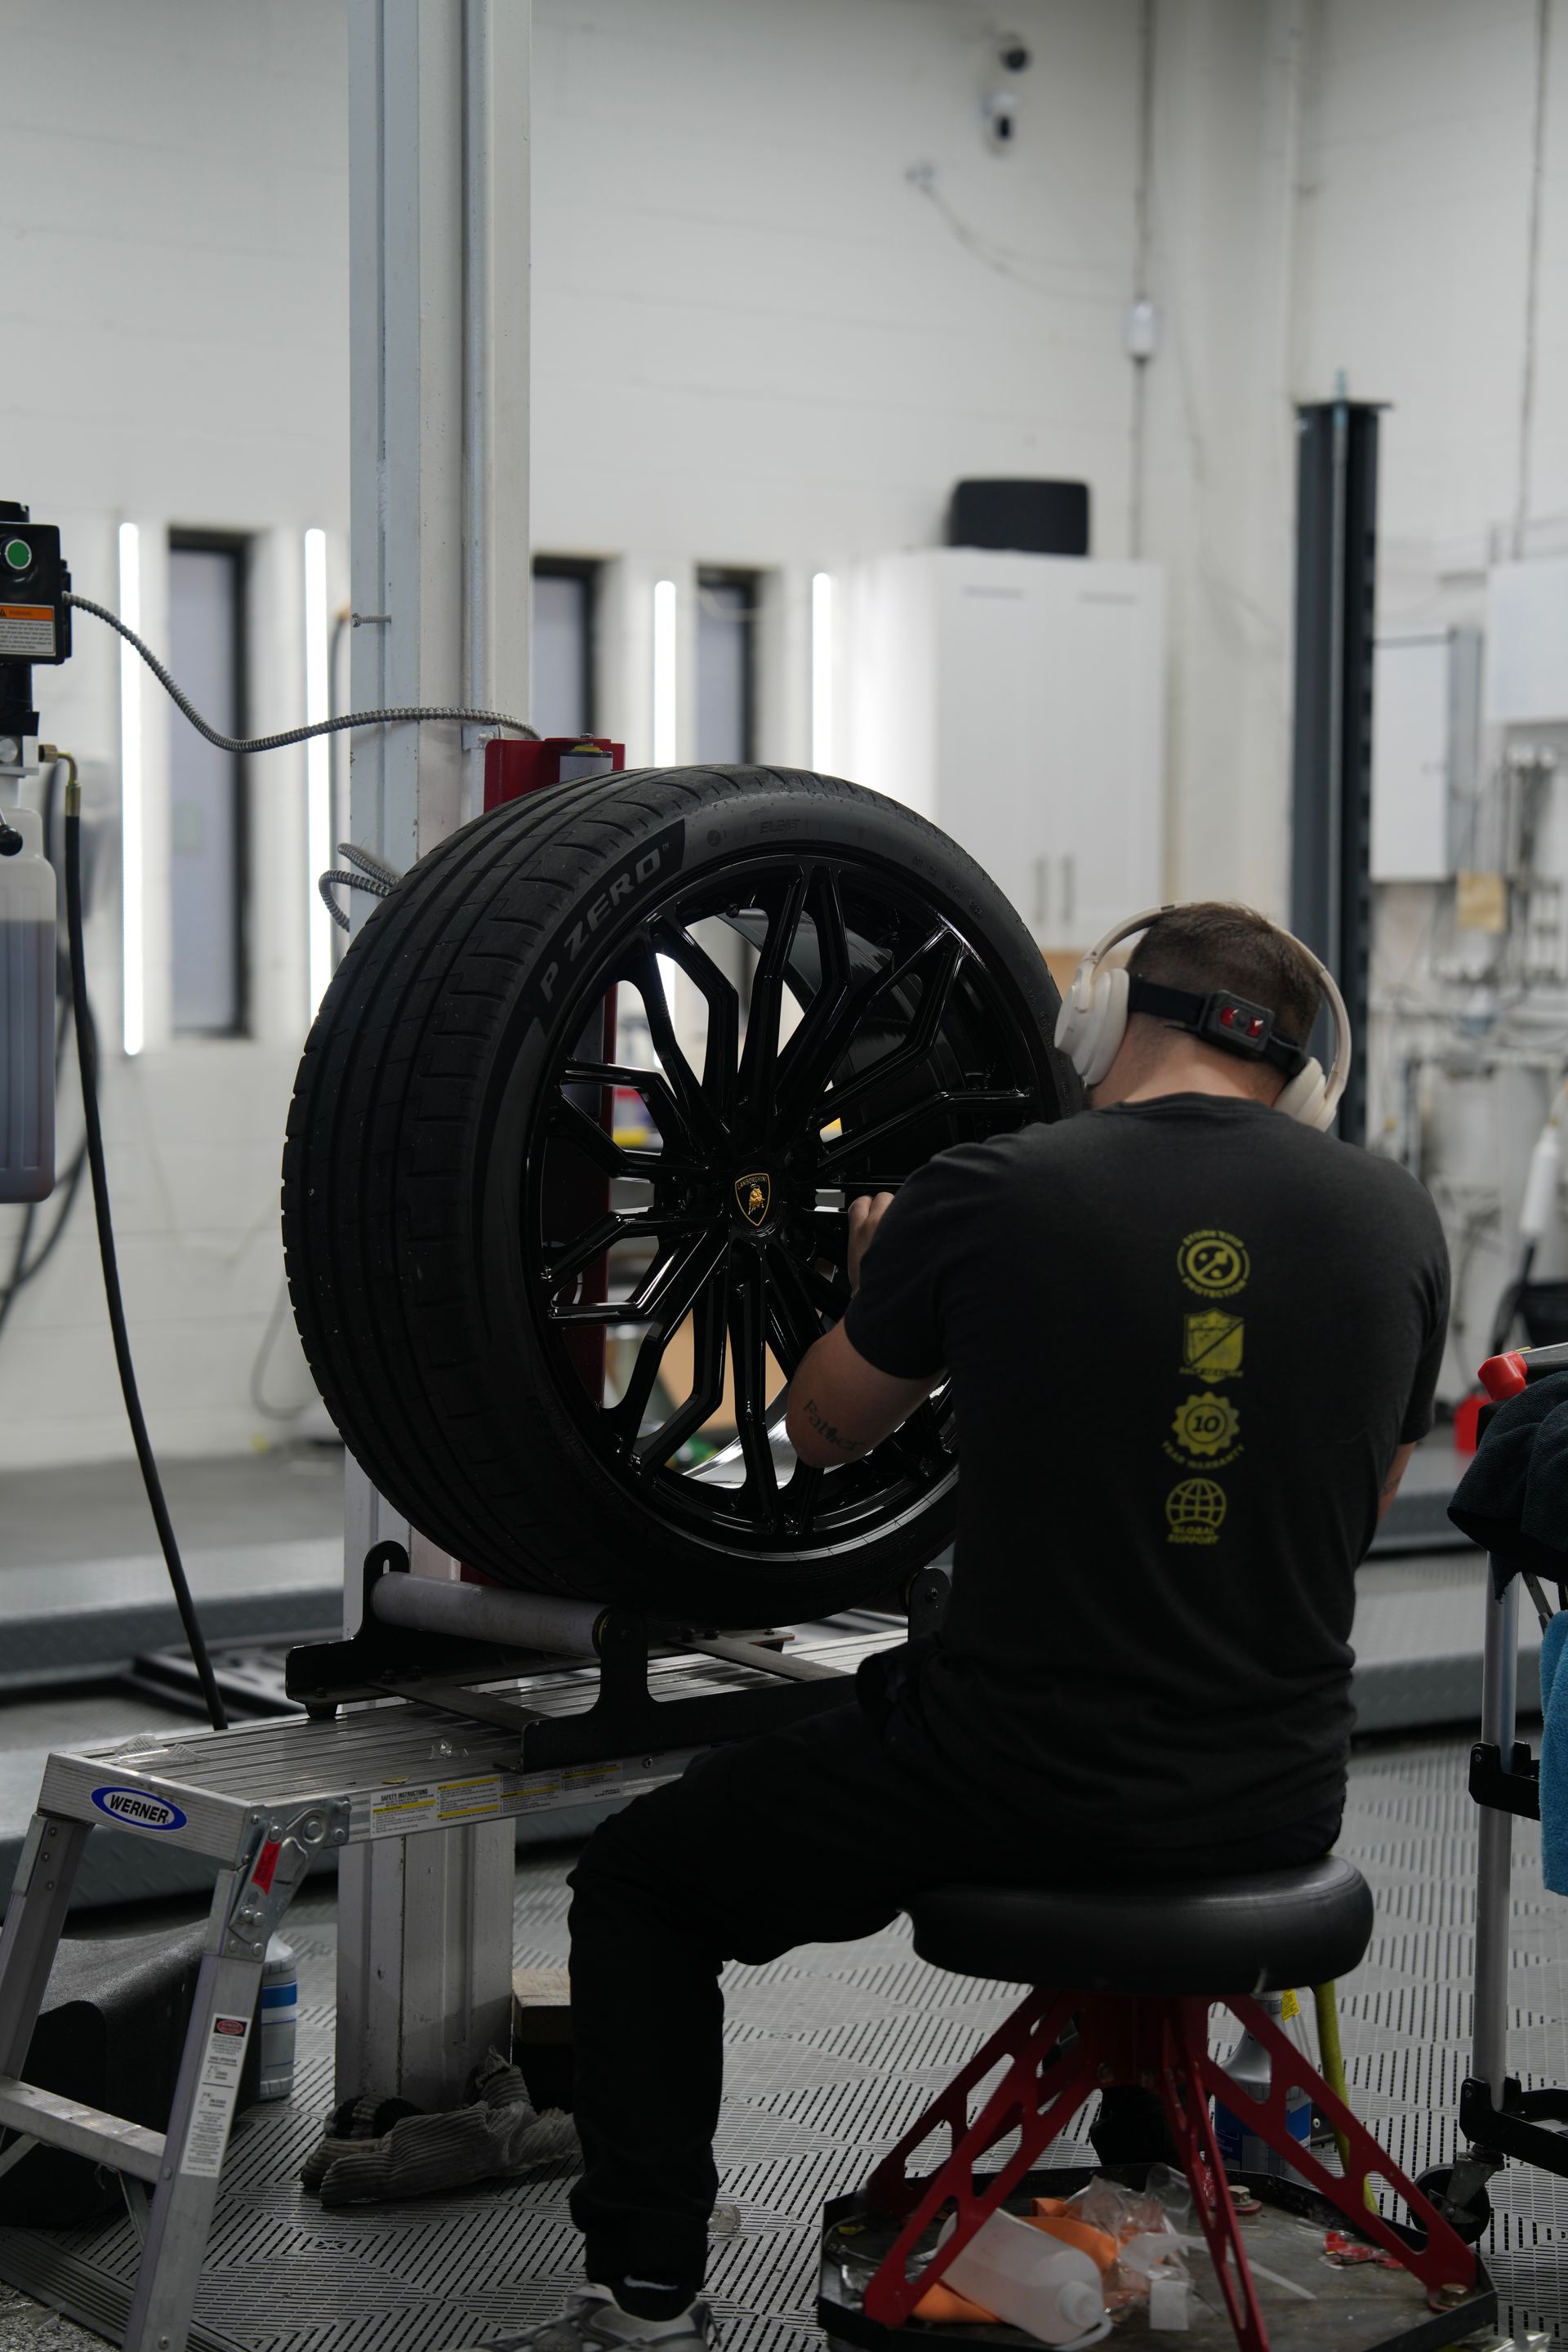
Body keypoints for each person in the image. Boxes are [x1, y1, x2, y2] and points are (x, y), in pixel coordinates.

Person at [470, 902, 1450, 2352]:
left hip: (1010, 1781)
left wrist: (880, 1283)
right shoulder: (1398, 1218)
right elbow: (1350, 1503)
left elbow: (815, 1431)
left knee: (640, 1885)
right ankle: (1147, 2176)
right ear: (1307, 1076)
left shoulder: (987, 1189)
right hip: (1277, 1790)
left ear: (1101, 1021)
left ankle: (647, 2290)